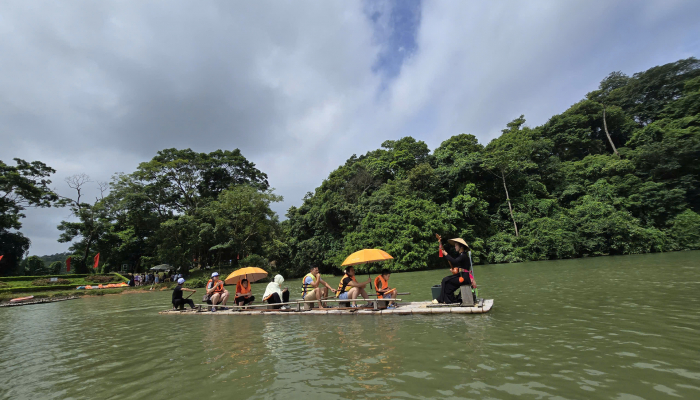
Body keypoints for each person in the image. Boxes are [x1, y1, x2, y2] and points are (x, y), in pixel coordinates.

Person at [436, 238, 474, 304]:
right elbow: (460, 267)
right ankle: (447, 299)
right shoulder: (462, 255)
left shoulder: (463, 255)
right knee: (446, 282)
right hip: (462, 276)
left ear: (461, 246)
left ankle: (441, 299)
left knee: (445, 280)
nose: (455, 247)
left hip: (464, 278)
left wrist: (446, 254)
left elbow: (455, 262)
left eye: (456, 245)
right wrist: (454, 270)